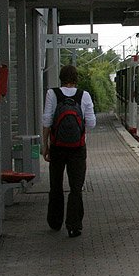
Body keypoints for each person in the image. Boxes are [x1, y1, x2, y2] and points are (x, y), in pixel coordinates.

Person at [41, 65, 96, 237]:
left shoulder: (52, 93)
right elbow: (92, 123)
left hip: (57, 147)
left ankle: (55, 222)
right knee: (76, 187)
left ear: (61, 77)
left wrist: (45, 146)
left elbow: (47, 121)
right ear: (76, 78)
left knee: (56, 185)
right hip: (78, 149)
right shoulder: (84, 95)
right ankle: (74, 225)